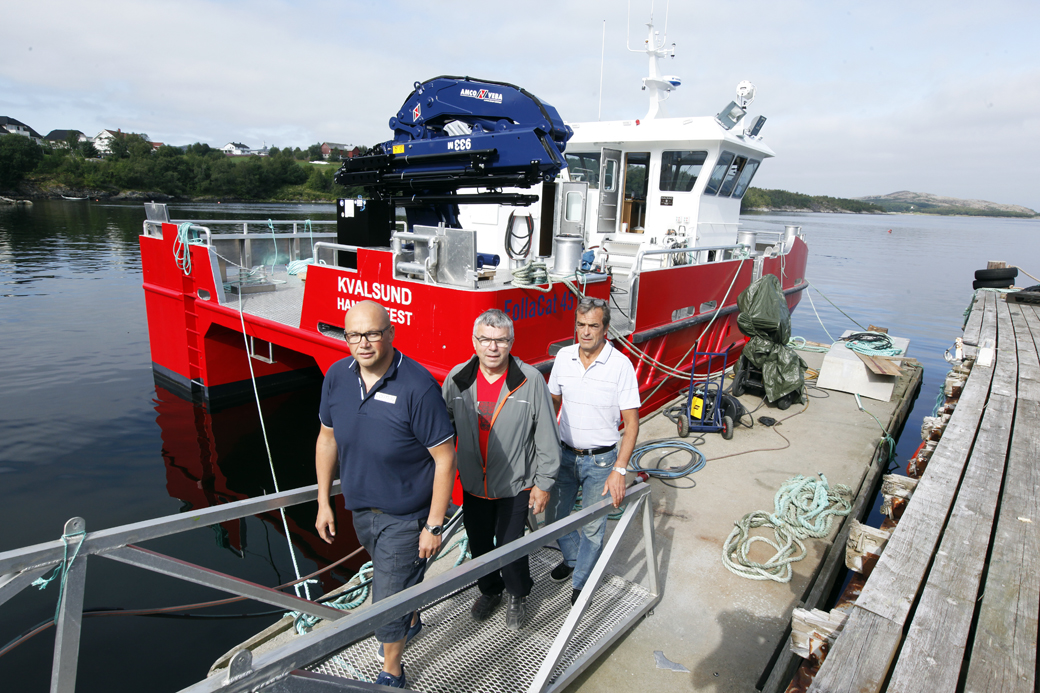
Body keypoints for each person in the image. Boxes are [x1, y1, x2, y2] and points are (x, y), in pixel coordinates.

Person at [315, 301, 456, 689]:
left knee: (386, 601)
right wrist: (324, 501)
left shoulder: (418, 387)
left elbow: (445, 458)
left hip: (406, 516)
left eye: (372, 333)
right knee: (397, 581)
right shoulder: (336, 377)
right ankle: (411, 618)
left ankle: (392, 671)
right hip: (361, 510)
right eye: (353, 335)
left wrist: (434, 525)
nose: (363, 343)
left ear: (390, 334)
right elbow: (327, 438)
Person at [442, 309, 560, 629]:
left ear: (511, 342)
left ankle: (518, 593)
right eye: (485, 339)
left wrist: (544, 483)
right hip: (473, 485)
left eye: (501, 340)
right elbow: (442, 433)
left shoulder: (529, 380)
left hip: (515, 484)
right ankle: (491, 590)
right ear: (474, 342)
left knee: (511, 548)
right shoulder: (457, 379)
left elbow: (547, 435)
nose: (492, 347)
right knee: (480, 545)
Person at [546, 297, 640, 605]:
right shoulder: (564, 357)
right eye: (581, 325)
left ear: (606, 329)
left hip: (601, 461)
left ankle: (582, 582)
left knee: (592, 527)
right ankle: (574, 558)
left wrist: (619, 470)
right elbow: (553, 403)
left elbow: (631, 424)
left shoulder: (621, 366)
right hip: (564, 454)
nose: (586, 332)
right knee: (555, 517)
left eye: (593, 326)